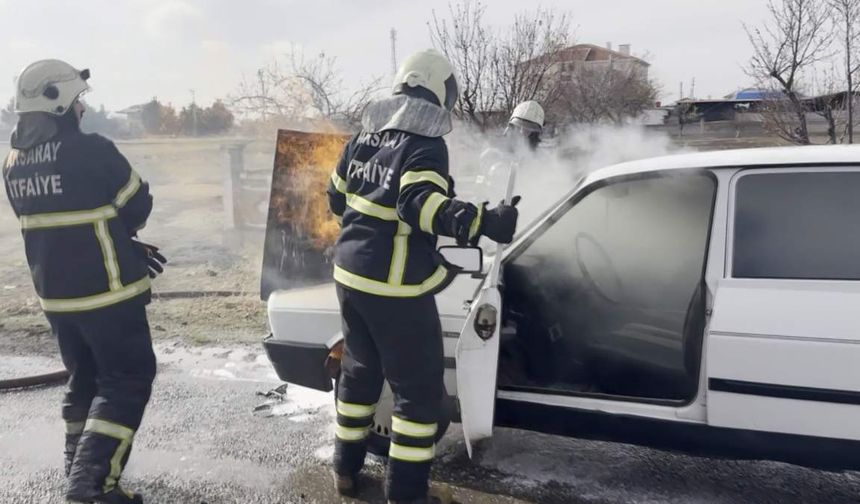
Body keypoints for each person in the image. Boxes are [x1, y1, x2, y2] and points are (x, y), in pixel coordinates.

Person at [326, 49, 519, 504]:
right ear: (439, 90)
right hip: (395, 290)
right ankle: (407, 495)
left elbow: (336, 199)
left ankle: (346, 472)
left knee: (358, 376)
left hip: (350, 278)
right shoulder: (425, 143)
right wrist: (484, 222)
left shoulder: (364, 137)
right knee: (417, 396)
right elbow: (420, 204)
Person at [2, 59, 165, 504]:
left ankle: (78, 468)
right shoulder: (92, 150)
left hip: (56, 298)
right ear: (58, 105)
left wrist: (119, 240)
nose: (82, 111)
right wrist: (122, 238)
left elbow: (57, 225)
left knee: (85, 379)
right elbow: (137, 208)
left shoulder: (12, 162)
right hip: (108, 293)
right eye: (77, 102)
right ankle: (91, 487)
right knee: (127, 378)